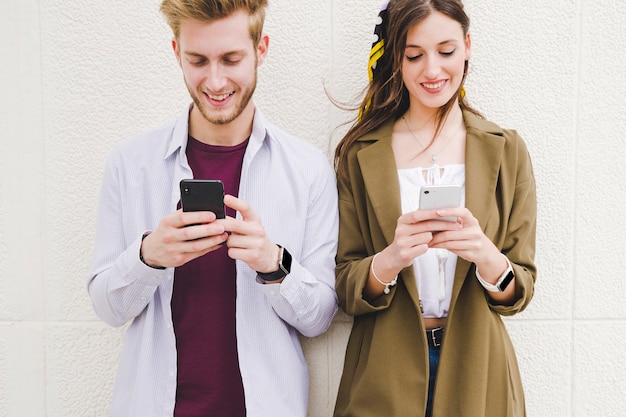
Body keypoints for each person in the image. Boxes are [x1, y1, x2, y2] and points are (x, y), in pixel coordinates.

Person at [87, 1, 339, 416]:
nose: (215, 80)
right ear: (176, 53)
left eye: (231, 59)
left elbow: (319, 319)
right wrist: (148, 256)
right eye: (198, 60)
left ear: (261, 50)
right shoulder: (130, 165)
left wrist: (273, 263)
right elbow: (107, 308)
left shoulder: (308, 169)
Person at [332, 1, 536, 416]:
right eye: (414, 55)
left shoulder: (506, 149)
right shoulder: (360, 153)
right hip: (383, 373)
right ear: (395, 58)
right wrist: (389, 260)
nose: (431, 70)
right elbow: (345, 284)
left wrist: (485, 255)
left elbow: (521, 289)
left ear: (467, 46)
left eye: (445, 51)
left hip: (478, 370)